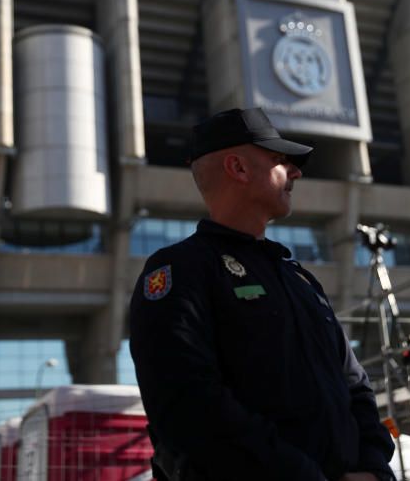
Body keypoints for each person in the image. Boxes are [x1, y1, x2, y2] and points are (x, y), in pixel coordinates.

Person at [129, 107, 395, 481]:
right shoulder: (180, 271)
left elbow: (355, 385)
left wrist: (374, 468)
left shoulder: (300, 280)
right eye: (281, 161)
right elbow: (188, 407)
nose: (296, 173)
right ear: (238, 168)